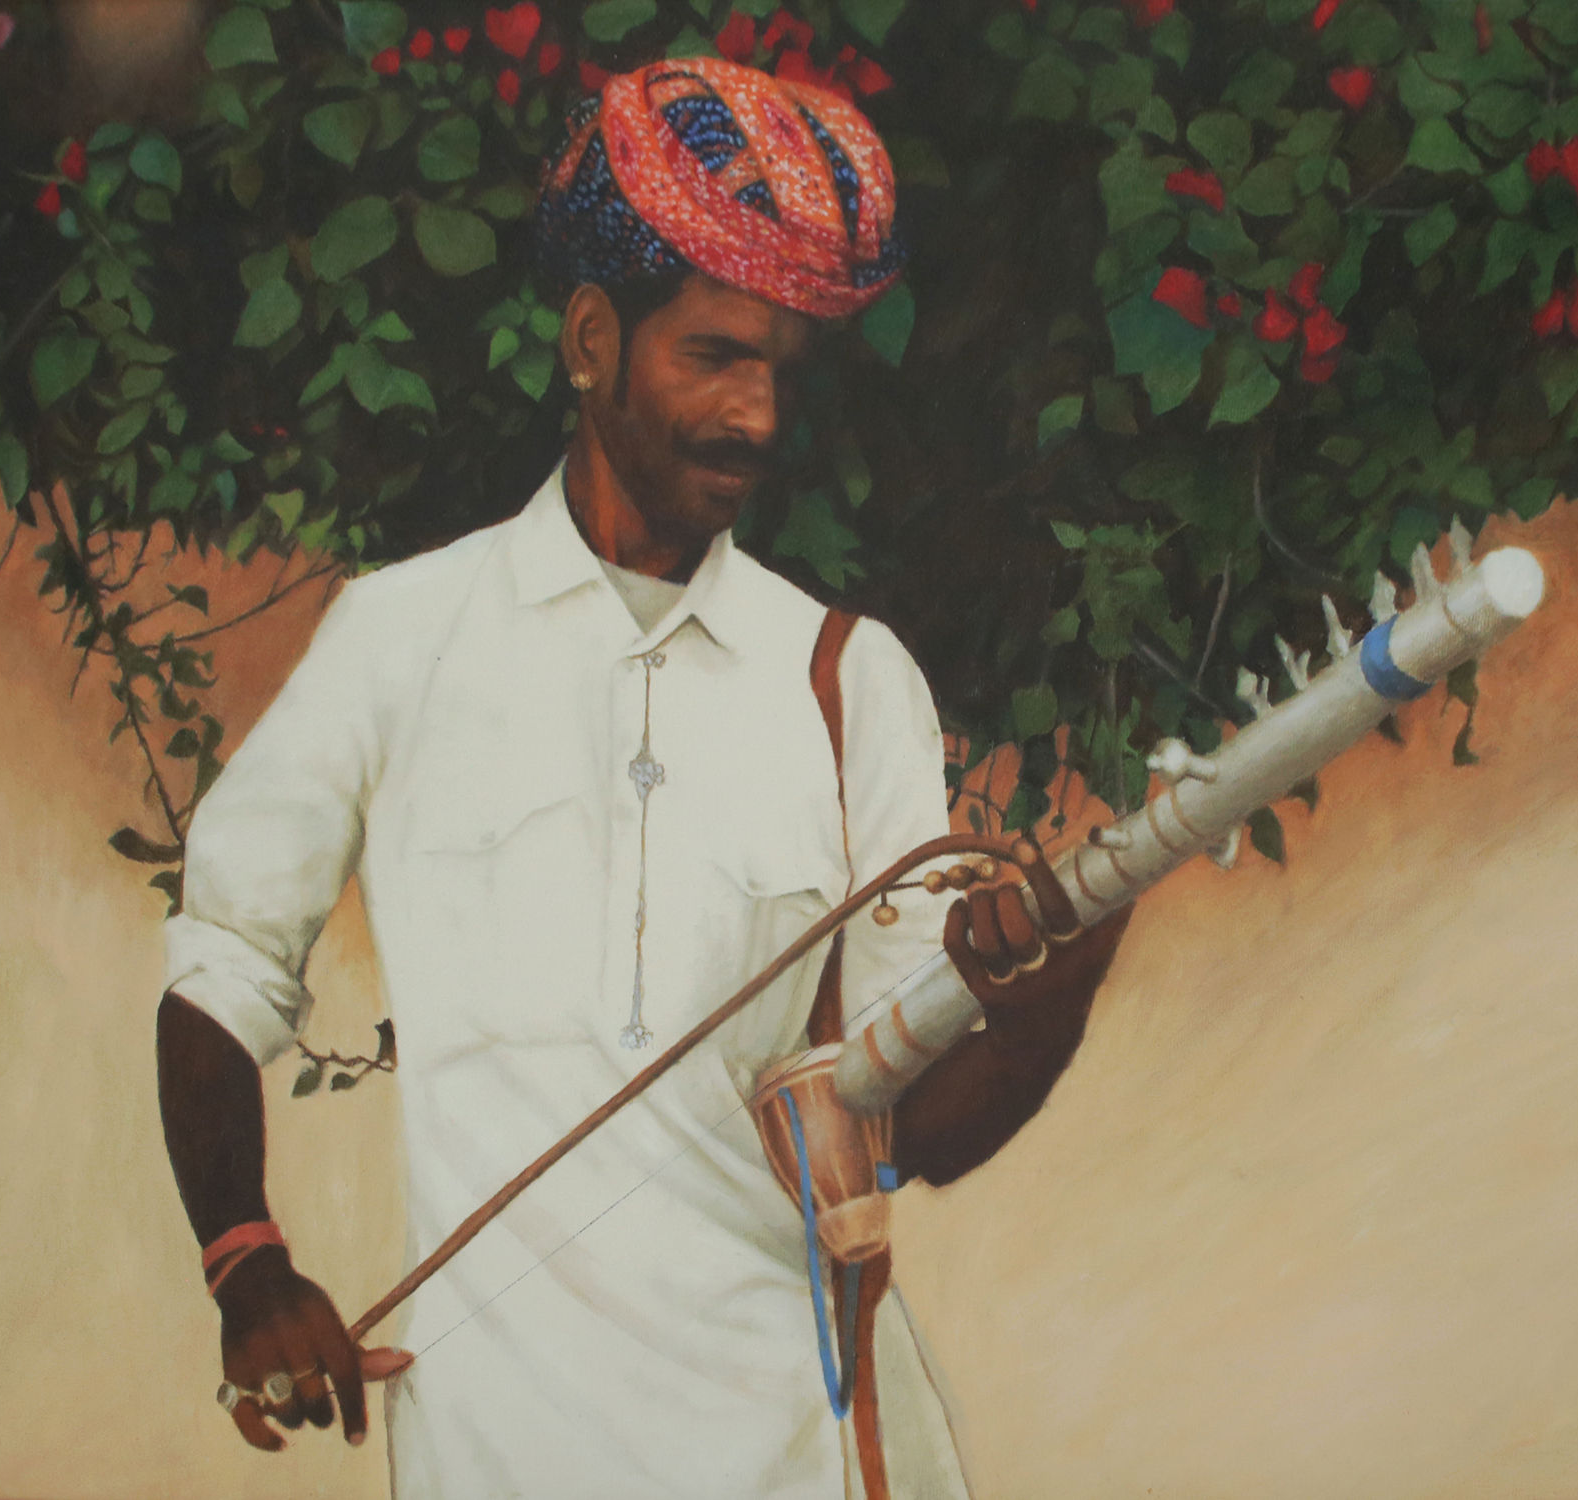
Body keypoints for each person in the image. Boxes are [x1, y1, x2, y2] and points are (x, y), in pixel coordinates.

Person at [156, 57, 1128, 1499]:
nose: (757, 419)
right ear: (593, 340)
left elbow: (892, 1130)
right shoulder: (399, 639)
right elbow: (225, 961)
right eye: (716, 356)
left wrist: (1050, 1007)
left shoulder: (850, 679)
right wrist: (246, 1265)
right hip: (496, 1452)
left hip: (804, 1450)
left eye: (784, 374)